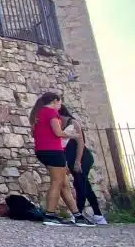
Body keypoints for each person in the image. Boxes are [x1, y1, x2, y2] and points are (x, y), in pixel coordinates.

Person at [29, 92, 91, 226]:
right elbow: (58, 133)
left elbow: (34, 133)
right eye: (59, 102)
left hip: (42, 151)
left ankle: (78, 216)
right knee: (57, 183)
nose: (60, 105)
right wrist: (71, 135)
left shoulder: (38, 114)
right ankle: (49, 215)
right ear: (54, 101)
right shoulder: (51, 113)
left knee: (64, 184)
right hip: (54, 151)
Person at [59, 105, 107, 225]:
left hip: (83, 159)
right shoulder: (59, 125)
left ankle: (78, 214)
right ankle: (98, 216)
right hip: (71, 161)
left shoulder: (73, 123)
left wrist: (77, 161)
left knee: (79, 184)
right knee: (85, 186)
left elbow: (80, 143)